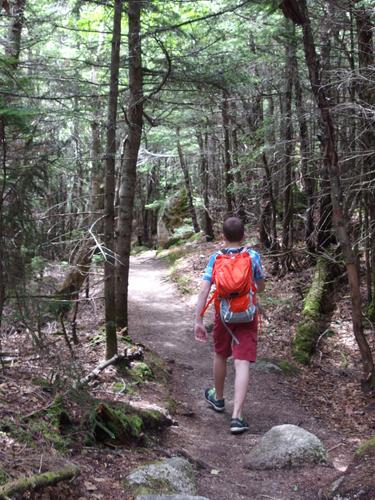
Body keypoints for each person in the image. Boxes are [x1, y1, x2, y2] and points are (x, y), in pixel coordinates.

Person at [194, 216, 265, 434]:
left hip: (223, 316)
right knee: (242, 362)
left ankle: (219, 398)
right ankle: (237, 416)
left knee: (220, 354)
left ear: (223, 237)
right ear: (243, 236)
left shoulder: (215, 258)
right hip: (247, 314)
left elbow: (205, 290)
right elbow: (260, 286)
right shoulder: (252, 256)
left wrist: (197, 319)